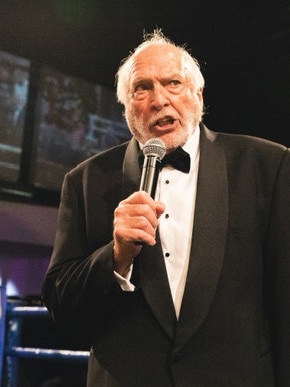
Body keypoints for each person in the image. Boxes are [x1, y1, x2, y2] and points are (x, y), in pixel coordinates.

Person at [42, 29, 290, 387]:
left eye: (173, 83)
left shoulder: (269, 165)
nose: (159, 100)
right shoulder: (85, 181)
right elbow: (63, 308)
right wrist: (116, 256)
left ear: (198, 94)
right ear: (126, 107)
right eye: (142, 88)